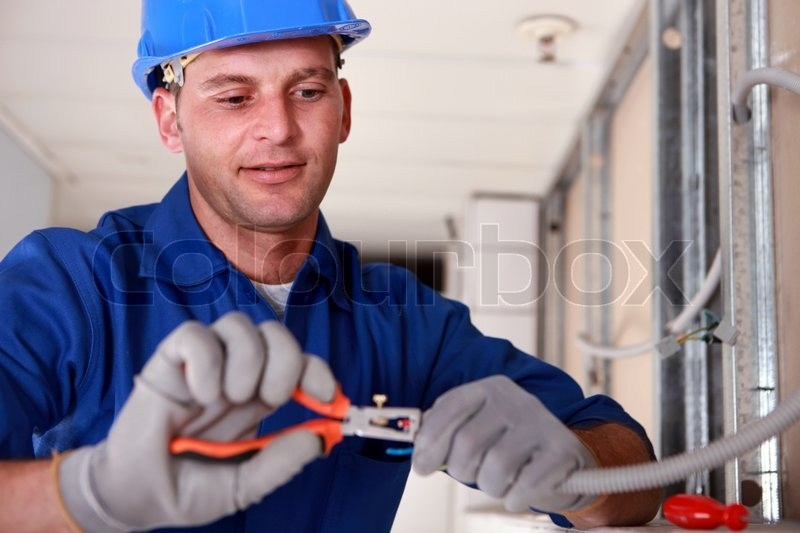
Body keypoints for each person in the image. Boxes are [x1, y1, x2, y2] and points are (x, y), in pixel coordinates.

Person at [0, 1, 661, 531]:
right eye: (234, 98)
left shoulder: (407, 324)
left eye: (307, 90)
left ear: (343, 109)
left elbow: (636, 472)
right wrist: (87, 495)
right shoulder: (68, 285)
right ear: (169, 120)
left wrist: (576, 473)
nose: (279, 129)